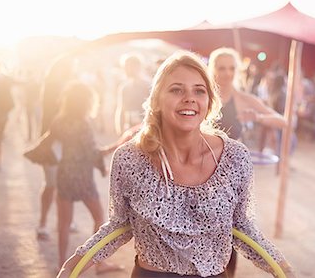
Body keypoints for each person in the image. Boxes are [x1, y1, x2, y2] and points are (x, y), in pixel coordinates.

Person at [57, 51, 295, 278]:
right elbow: (119, 226)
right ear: (157, 101)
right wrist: (72, 265)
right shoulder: (129, 159)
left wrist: (281, 266)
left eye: (199, 91)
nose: (189, 98)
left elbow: (242, 227)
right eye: (176, 90)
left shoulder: (235, 157)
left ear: (209, 102)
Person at [208, 48, 287, 277]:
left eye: (231, 68)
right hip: (201, 168)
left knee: (231, 228)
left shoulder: (243, 99)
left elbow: (281, 121)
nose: (226, 73)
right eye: (221, 68)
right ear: (213, 69)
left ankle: (227, 274)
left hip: (231, 172)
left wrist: (258, 117)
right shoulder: (204, 96)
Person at [49, 81, 123, 273]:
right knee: (99, 218)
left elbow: (51, 144)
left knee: (63, 222)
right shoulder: (83, 124)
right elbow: (92, 153)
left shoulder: (59, 120)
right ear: (86, 102)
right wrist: (114, 147)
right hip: (82, 176)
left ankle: (61, 263)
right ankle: (99, 262)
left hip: (64, 174)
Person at [36, 56, 76, 240]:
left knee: (64, 184)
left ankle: (64, 221)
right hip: (53, 143)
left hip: (67, 144)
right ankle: (43, 223)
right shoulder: (54, 89)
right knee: (51, 184)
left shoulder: (67, 88)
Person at [114, 53, 151, 135]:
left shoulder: (148, 85)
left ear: (138, 66)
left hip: (146, 128)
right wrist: (120, 132)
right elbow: (121, 109)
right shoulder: (124, 87)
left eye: (128, 66)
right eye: (125, 67)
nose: (126, 70)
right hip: (130, 128)